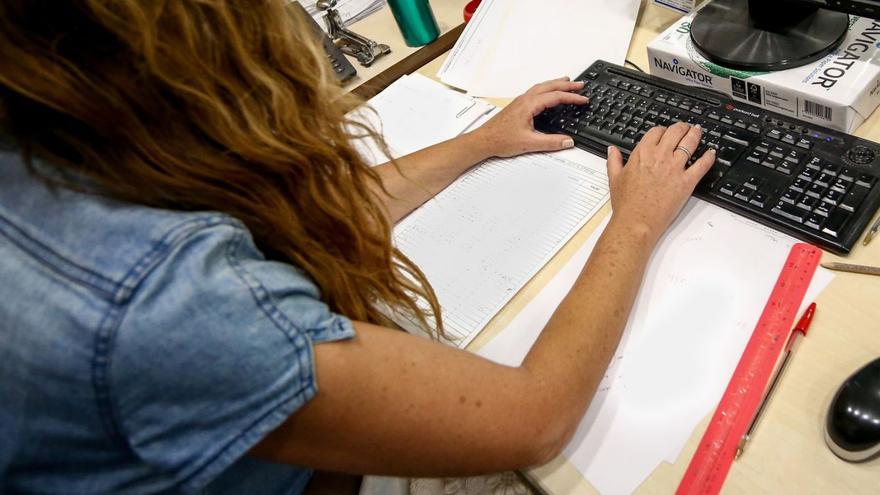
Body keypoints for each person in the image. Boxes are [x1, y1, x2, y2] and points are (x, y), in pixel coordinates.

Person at [0, 1, 716, 494]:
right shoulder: (161, 304)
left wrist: (477, 142)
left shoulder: (47, 152)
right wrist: (637, 220)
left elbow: (309, 214)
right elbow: (534, 415)